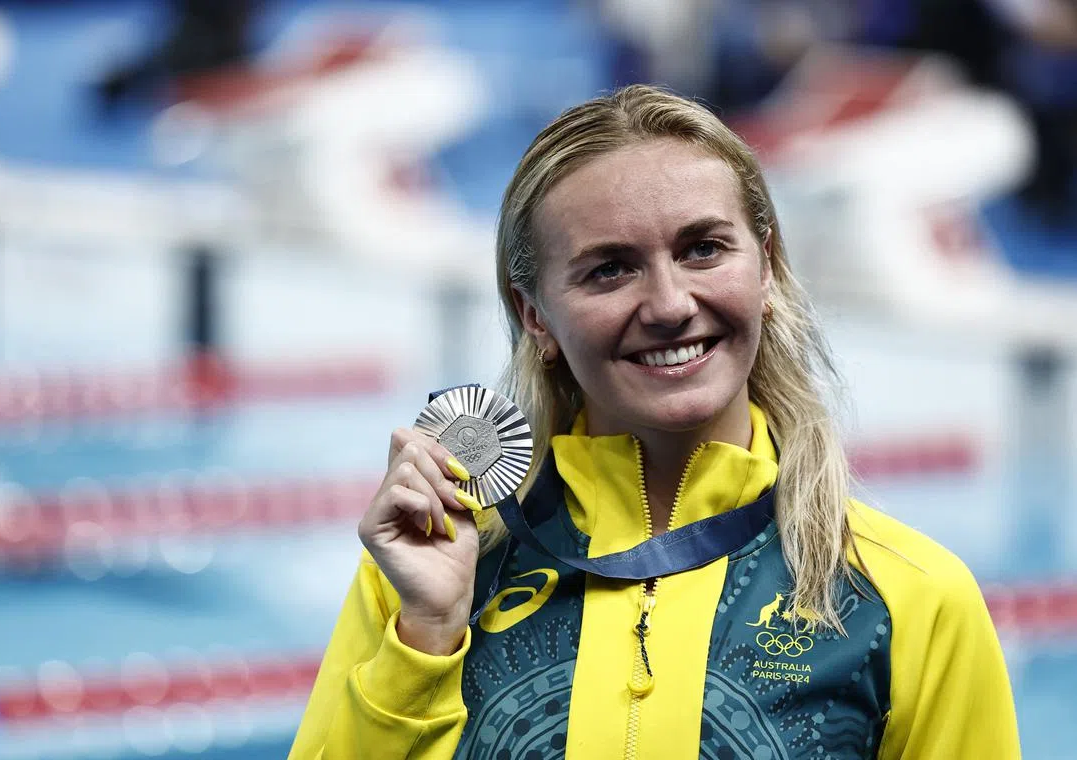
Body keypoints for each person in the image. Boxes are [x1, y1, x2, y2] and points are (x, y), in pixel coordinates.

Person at [287, 85, 1020, 759]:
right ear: (533, 315)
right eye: (609, 269)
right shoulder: (436, 559)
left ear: (765, 268)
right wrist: (426, 637)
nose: (669, 304)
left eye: (704, 249)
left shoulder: (907, 598)